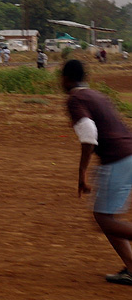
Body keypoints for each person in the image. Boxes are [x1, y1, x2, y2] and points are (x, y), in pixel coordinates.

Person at [61, 59, 132, 286]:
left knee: (104, 218)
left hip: (117, 158)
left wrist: (82, 172)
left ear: (65, 78)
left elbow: (89, 133)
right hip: (128, 153)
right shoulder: (97, 95)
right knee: (107, 216)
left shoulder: (75, 99)